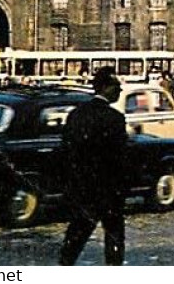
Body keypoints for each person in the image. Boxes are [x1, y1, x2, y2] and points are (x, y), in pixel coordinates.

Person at [58, 66, 127, 266]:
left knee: (75, 237)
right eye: (117, 87)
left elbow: (66, 150)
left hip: (81, 187)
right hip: (107, 190)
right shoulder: (114, 118)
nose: (119, 91)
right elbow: (119, 158)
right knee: (114, 237)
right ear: (106, 88)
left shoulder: (77, 114)